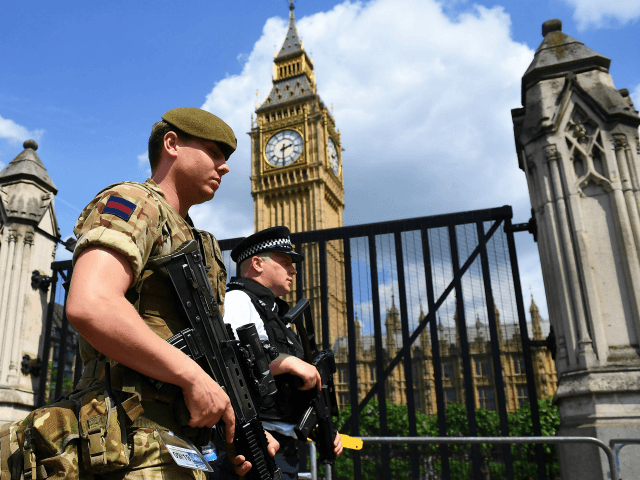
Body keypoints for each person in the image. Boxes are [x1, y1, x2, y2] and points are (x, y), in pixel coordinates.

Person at [66, 107, 277, 479]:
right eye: (214, 152)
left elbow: (213, 358)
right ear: (172, 144)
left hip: (177, 443)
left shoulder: (200, 244)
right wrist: (193, 378)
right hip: (123, 435)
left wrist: (239, 424)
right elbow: (91, 303)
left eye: (226, 158)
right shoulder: (134, 201)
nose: (224, 167)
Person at [210, 226, 343, 480]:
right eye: (285, 262)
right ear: (257, 263)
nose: (293, 270)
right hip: (256, 445)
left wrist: (319, 428)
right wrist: (287, 362)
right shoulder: (240, 300)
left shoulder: (277, 315)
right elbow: (226, 358)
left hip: (282, 448)